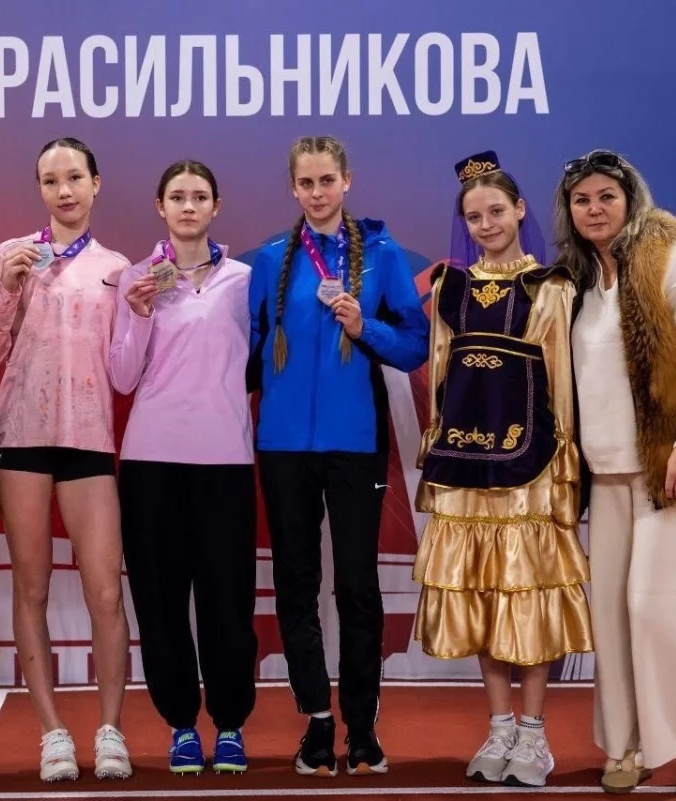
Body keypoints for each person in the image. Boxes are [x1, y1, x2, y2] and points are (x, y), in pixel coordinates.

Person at [555, 148, 676, 799]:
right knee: (612, 613)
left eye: (605, 197)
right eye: (582, 200)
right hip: (604, 471)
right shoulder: (578, 278)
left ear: (630, 198)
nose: (594, 209)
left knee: (653, 605)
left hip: (665, 465)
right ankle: (628, 742)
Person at [247, 135, 430, 777]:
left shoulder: (381, 255)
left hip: (355, 445)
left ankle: (363, 726)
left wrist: (363, 327)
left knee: (357, 586)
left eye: (327, 180)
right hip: (283, 447)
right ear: (293, 188)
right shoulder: (271, 258)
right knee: (296, 584)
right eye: (307, 183)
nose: (318, 192)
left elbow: (413, 346)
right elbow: (246, 352)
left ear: (347, 181)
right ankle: (317, 723)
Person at [412, 151, 594, 788]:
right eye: (474, 216)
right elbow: (440, 378)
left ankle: (534, 734)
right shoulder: (449, 289)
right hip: (465, 463)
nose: (486, 223)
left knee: (527, 594)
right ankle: (498, 727)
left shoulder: (550, 288)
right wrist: (436, 444)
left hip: (529, 464)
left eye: (496, 211)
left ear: (519, 210)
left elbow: (561, 384)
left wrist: (564, 461)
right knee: (484, 593)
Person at [0, 137, 133, 782]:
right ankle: (52, 733)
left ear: (96, 183)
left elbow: (125, 371)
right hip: (21, 436)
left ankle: (111, 730)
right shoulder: (12, 255)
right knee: (32, 586)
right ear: (39, 189)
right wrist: (7, 290)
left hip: (89, 438)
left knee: (105, 589)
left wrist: (143, 314)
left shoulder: (117, 268)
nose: (63, 190)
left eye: (74, 178)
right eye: (50, 180)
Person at [108, 160, 258, 775]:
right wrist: (139, 313)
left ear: (216, 206)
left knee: (228, 600)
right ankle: (180, 725)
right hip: (151, 460)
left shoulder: (245, 280)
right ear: (160, 206)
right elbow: (122, 377)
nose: (188, 206)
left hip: (225, 458)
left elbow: (257, 363)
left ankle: (230, 724)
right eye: (177, 196)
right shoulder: (136, 278)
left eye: (199, 197)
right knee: (160, 602)